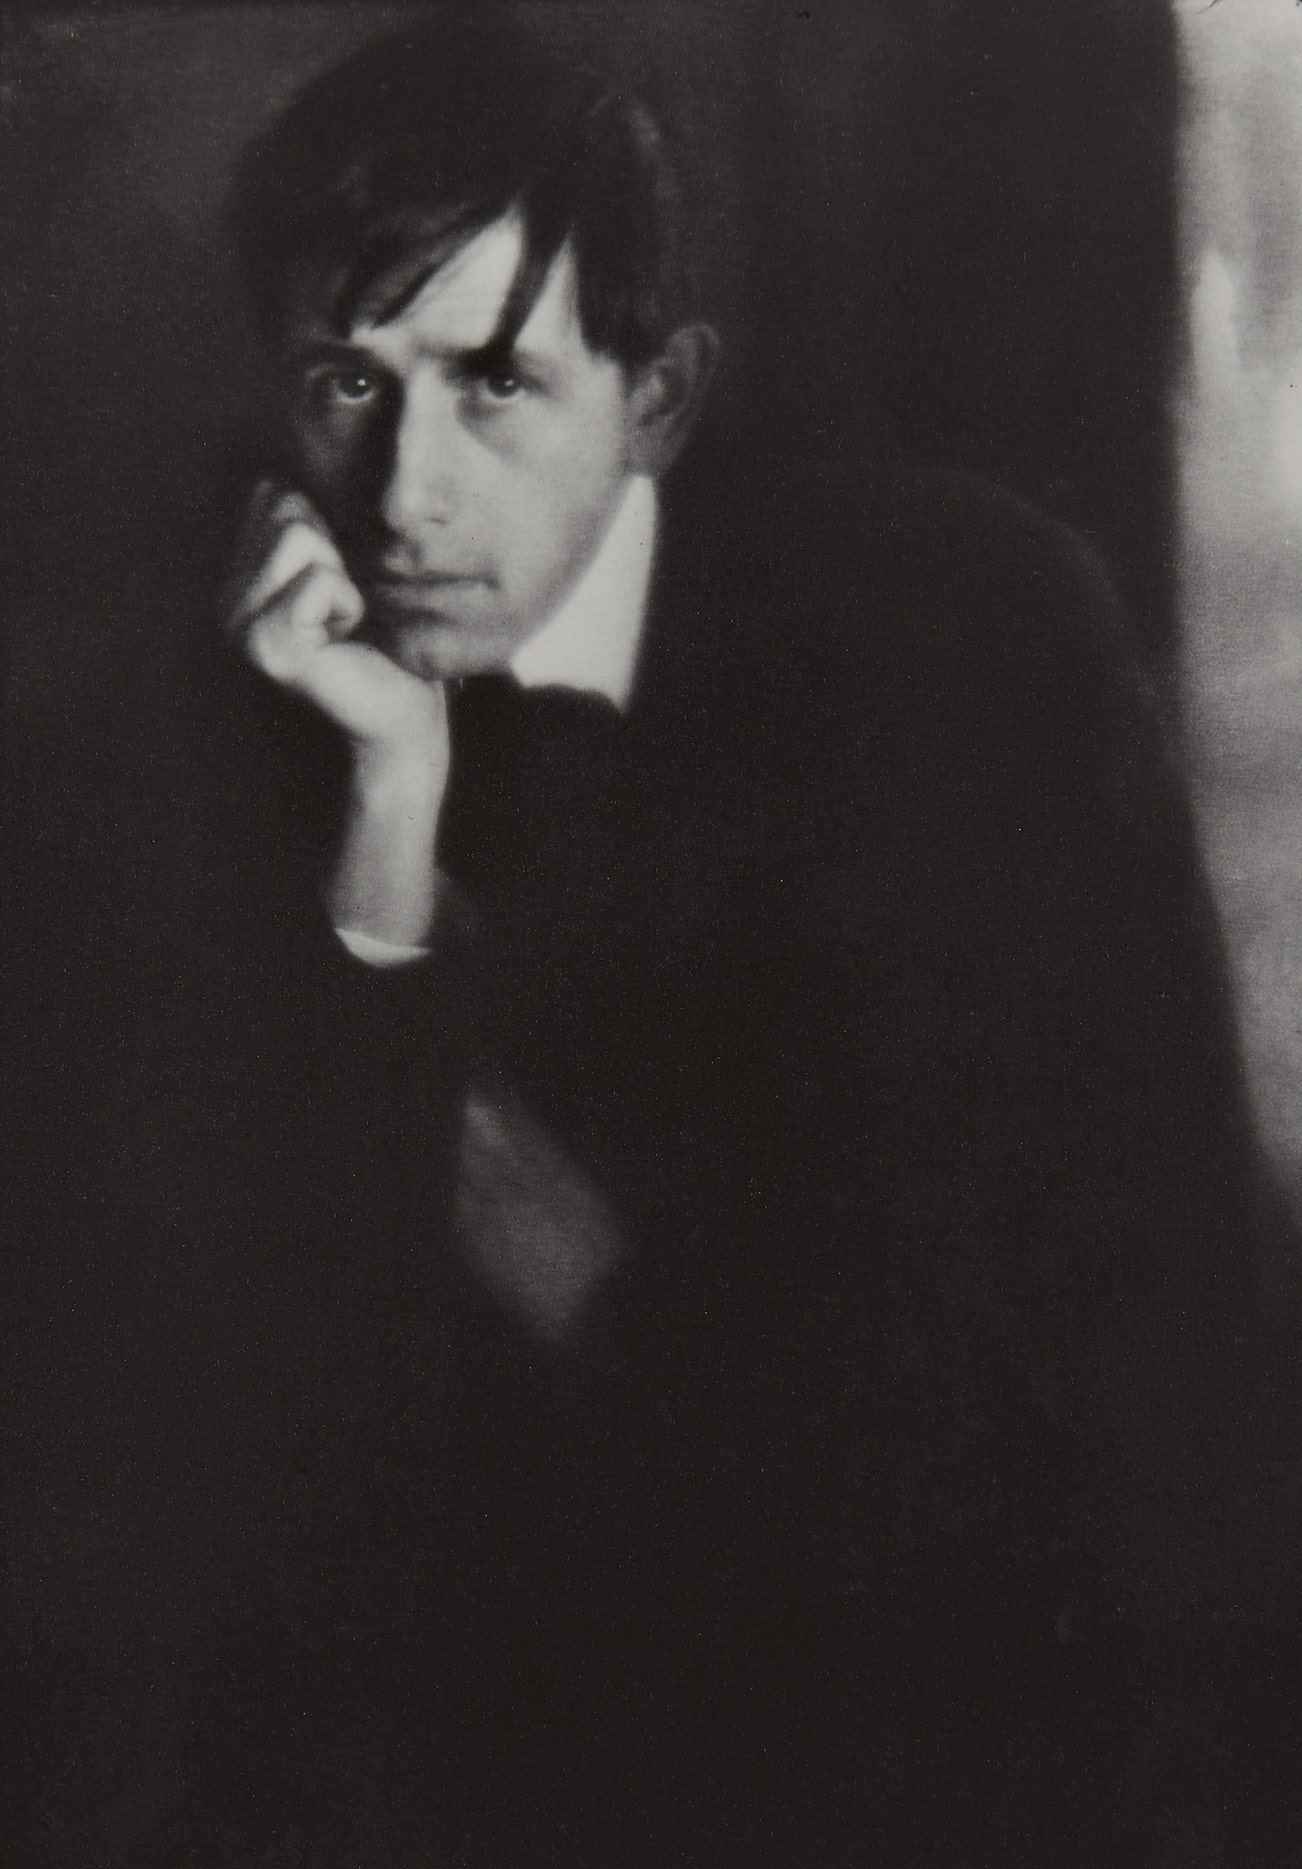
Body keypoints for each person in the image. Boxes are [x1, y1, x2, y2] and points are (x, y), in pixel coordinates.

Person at [6, 11, 1276, 1864]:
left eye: (493, 385)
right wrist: (388, 815)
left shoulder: (959, 647)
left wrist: (571, 1265)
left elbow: (1012, 1409)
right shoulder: (195, 719)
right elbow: (251, 1429)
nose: (407, 494)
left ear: (658, 397)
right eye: (347, 384)